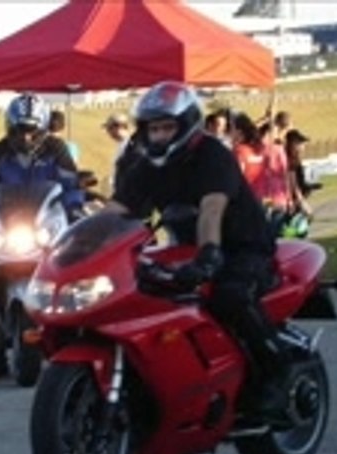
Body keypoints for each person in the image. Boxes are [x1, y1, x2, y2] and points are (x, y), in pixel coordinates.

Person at [104, 80, 293, 420]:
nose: (159, 136)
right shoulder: (147, 165)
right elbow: (116, 211)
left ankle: (275, 370)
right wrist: (77, 244)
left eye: (166, 127)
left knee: (230, 295)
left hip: (242, 247)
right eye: (153, 129)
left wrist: (208, 254)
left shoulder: (212, 155)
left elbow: (211, 209)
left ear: (186, 123)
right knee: (142, 299)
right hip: (183, 250)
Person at [0, 92, 82, 379]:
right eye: (20, 130)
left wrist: (75, 206)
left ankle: (74, 340)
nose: (26, 137)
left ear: (43, 128)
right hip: (6, 225)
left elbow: (71, 183)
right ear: (9, 128)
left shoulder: (56, 150)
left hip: (45, 225)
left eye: (32, 130)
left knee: (68, 279)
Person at [230, 112, 291, 218]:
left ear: (239, 132)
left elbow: (236, 179)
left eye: (231, 129)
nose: (229, 133)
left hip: (245, 202)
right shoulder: (258, 150)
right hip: (262, 199)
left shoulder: (239, 152)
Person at [101, 111, 142, 197]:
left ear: (120, 127)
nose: (108, 132)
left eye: (109, 128)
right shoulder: (123, 145)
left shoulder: (132, 146)